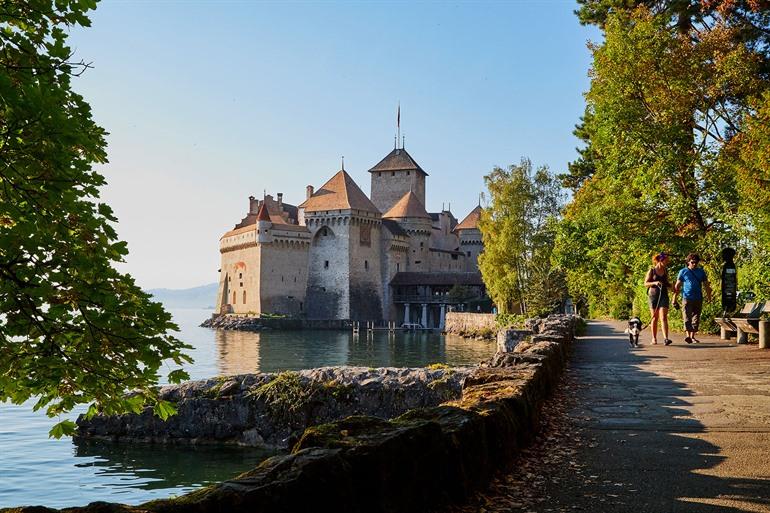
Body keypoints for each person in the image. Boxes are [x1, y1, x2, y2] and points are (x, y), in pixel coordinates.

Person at [674, 252, 712, 344]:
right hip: (686, 297)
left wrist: (709, 297)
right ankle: (688, 336)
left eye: (696, 262)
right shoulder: (683, 271)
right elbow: (677, 286)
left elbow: (706, 285)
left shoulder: (701, 272)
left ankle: (692, 337)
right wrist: (674, 298)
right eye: (692, 262)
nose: (694, 264)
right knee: (687, 317)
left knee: (696, 317)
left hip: (698, 297)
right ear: (688, 262)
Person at [644, 252, 672, 345]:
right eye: (666, 260)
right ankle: (654, 338)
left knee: (663, 317)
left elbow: (667, 282)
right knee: (654, 318)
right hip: (653, 296)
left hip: (663, 295)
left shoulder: (666, 271)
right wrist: (655, 283)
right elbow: (646, 283)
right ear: (660, 260)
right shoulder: (652, 271)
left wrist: (673, 287)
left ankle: (666, 338)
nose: (667, 262)